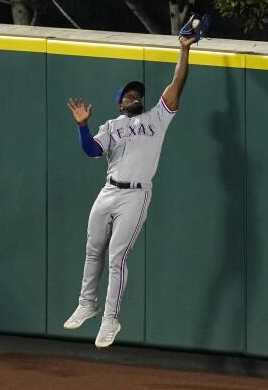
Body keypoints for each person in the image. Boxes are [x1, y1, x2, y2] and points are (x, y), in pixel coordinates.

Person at [63, 36, 195, 348]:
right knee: (93, 248)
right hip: (109, 191)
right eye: (128, 94)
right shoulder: (110, 125)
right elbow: (92, 151)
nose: (134, 96)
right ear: (120, 102)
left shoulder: (157, 118)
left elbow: (178, 81)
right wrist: (82, 126)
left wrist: (185, 49)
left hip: (136, 195)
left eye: (138, 93)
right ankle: (87, 303)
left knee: (117, 257)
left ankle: (110, 319)